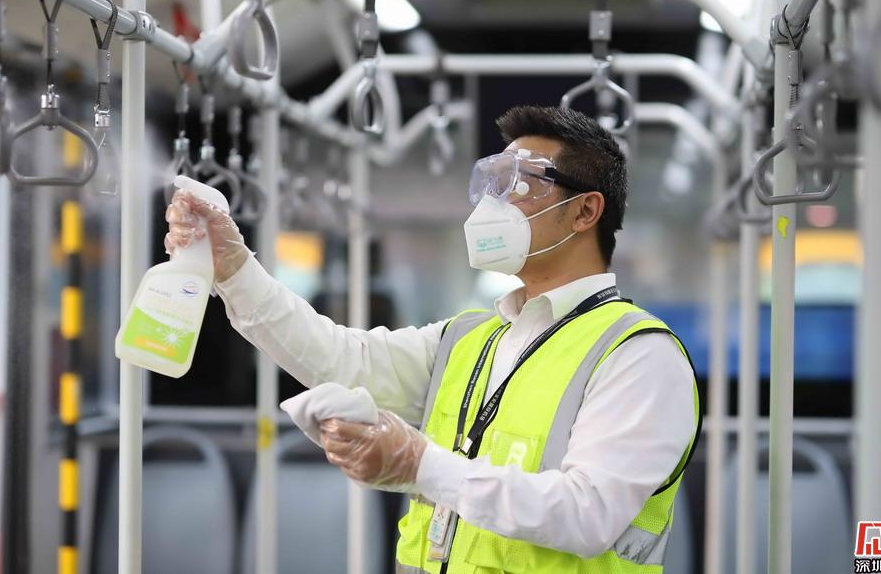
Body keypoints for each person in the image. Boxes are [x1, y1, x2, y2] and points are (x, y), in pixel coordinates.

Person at [165, 105, 700, 573]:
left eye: (519, 186)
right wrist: (235, 270)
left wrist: (421, 465)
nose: (494, 204)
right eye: (491, 183)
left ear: (585, 210)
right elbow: (339, 358)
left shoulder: (638, 355)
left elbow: (587, 515)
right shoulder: (470, 339)